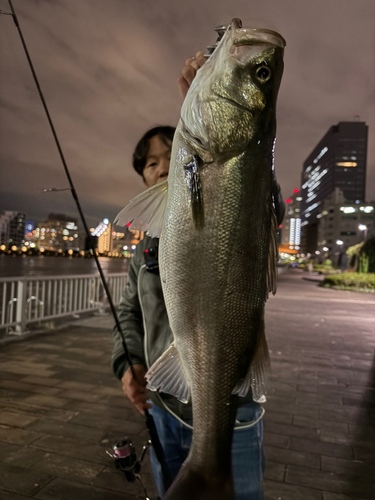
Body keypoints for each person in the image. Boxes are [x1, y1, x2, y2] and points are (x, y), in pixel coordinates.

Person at [112, 51, 284, 500]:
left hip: (235, 414)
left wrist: (205, 102)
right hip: (163, 404)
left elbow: (258, 194)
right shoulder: (144, 248)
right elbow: (127, 311)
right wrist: (126, 364)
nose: (164, 165)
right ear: (144, 178)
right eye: (151, 163)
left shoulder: (223, 187)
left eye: (171, 153)